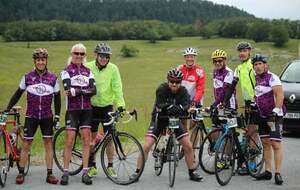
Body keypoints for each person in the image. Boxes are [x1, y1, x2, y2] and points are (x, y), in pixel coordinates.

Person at [131, 68, 203, 182]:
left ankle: (192, 172)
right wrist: (176, 108)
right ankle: (137, 172)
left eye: (177, 82)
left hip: (174, 120)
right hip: (159, 119)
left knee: (188, 146)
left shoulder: (184, 91)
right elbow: (160, 104)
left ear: (181, 82)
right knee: (146, 146)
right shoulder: (162, 89)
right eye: (172, 82)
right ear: (168, 81)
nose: (174, 84)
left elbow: (186, 106)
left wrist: (171, 108)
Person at [5, 48, 61, 185]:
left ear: (46, 61)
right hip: (31, 116)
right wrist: (7, 108)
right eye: (38, 60)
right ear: (35, 61)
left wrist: (57, 116)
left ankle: (49, 174)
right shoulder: (27, 77)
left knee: (48, 144)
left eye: (43, 59)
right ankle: (21, 172)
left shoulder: (53, 78)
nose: (41, 62)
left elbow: (58, 98)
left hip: (47, 117)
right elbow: (18, 94)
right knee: (26, 144)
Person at [84, 43, 125, 178]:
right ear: (96, 55)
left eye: (107, 56)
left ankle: (110, 166)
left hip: (107, 107)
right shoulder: (88, 67)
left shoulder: (113, 68)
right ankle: (92, 165)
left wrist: (121, 105)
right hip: (92, 107)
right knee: (92, 138)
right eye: (101, 56)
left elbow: (117, 87)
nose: (104, 59)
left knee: (109, 138)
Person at [60, 43, 96, 185]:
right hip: (72, 111)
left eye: (82, 54)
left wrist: (79, 91)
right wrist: (84, 90)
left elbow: (94, 91)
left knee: (86, 141)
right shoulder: (65, 71)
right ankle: (65, 172)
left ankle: (85, 172)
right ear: (72, 54)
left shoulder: (89, 71)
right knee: (69, 141)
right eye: (76, 53)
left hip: (87, 110)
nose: (79, 56)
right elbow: (69, 90)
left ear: (85, 56)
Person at [251, 54, 284, 185]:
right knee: (265, 143)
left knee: (275, 144)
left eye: (260, 64)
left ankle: (278, 173)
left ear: (265, 65)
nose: (258, 67)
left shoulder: (272, 77)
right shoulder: (257, 78)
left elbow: (280, 95)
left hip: (274, 116)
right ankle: (268, 171)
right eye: (255, 65)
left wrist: (275, 111)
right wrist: (253, 104)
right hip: (262, 116)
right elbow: (258, 95)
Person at [177, 47, 206, 149]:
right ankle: (185, 147)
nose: (190, 59)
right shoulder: (180, 69)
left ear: (195, 57)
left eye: (192, 56)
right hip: (184, 101)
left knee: (194, 126)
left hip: (196, 101)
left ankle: (192, 150)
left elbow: (200, 89)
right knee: (183, 124)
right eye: (188, 56)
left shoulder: (200, 71)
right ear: (185, 58)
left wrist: (194, 101)